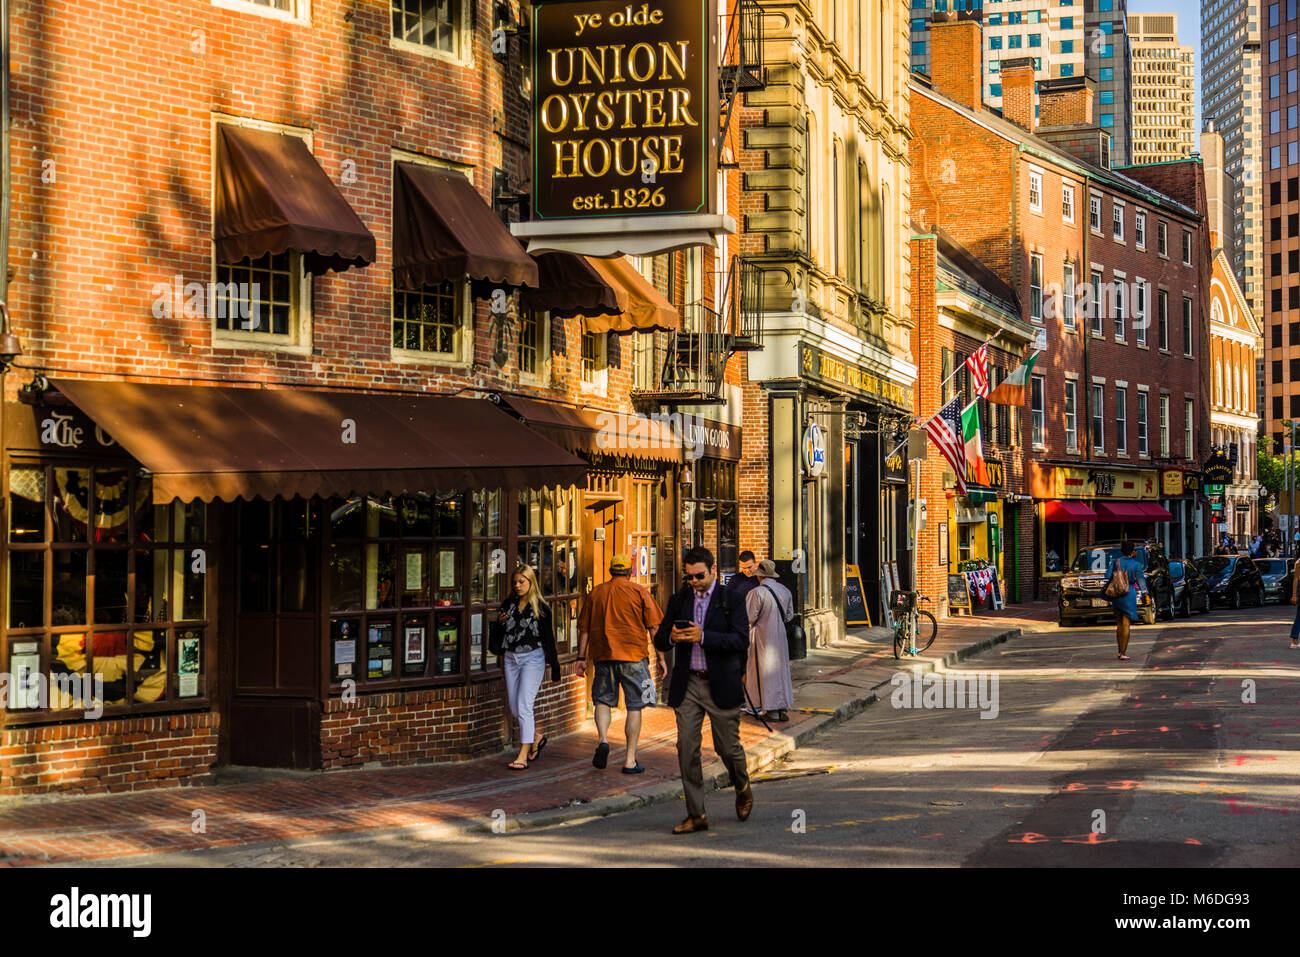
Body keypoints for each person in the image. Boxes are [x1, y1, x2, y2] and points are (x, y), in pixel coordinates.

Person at [653, 546, 752, 834]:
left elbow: (740, 640)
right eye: (689, 577)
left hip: (720, 681)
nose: (694, 581)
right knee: (686, 748)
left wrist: (704, 636)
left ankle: (742, 786)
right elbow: (659, 639)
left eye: (699, 576)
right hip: (689, 683)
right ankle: (697, 814)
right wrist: (671, 637)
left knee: (728, 748)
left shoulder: (731, 600)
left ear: (712, 571)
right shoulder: (679, 599)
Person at [575, 554, 665, 774]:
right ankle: (630, 760)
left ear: (611, 570)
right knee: (636, 706)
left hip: (604, 656)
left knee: (602, 701)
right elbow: (654, 628)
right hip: (634, 656)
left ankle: (604, 740)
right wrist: (661, 657)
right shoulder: (639, 592)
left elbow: (584, 629)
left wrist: (580, 658)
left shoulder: (596, 592)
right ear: (630, 570)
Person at [492, 564, 560, 770]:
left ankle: (522, 755)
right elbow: (499, 632)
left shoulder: (541, 607)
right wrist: (500, 622)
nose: (518, 586)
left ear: (531, 582)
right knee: (514, 707)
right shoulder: (508, 604)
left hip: (533, 658)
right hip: (511, 658)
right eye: (515, 582)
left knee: (523, 705)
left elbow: (549, 638)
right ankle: (535, 738)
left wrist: (554, 665)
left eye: (522, 582)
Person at [744, 560, 795, 722]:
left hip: (761, 636)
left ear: (759, 576)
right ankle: (782, 707)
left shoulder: (757, 592)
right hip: (780, 636)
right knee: (780, 671)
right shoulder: (785, 591)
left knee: (763, 672)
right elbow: (789, 616)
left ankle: (770, 708)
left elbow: (750, 617)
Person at [1107, 541, 1146, 662]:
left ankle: (1119, 651)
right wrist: (1145, 593)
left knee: (1119, 623)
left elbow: (1107, 575)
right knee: (1126, 624)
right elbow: (1141, 581)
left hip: (1117, 592)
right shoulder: (1136, 564)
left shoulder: (1116, 562)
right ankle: (1123, 652)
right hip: (1129, 592)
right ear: (1132, 551)